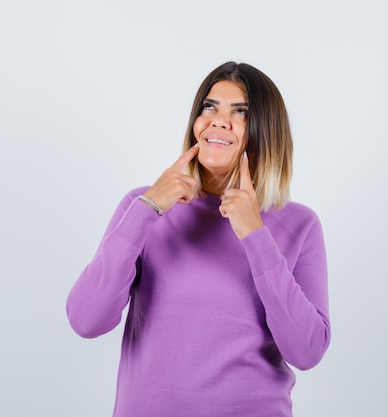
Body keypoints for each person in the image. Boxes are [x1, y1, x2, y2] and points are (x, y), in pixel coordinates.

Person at [66, 61, 330, 417]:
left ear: (267, 132)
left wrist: (255, 235)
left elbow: (307, 351)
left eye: (241, 112)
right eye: (210, 107)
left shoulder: (298, 225)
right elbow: (86, 320)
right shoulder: (142, 206)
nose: (219, 120)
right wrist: (147, 210)